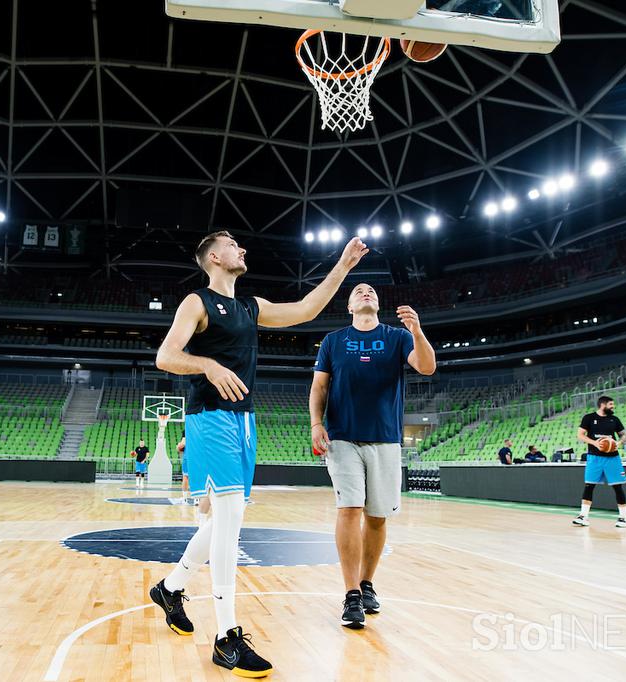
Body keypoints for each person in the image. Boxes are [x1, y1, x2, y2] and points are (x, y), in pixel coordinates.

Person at [148, 230, 369, 678]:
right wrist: (208, 364)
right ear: (213, 256)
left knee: (224, 520)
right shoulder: (197, 302)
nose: (242, 250)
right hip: (210, 418)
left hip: (245, 420)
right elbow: (166, 356)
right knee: (229, 521)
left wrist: (343, 267)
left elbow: (306, 309)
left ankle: (171, 589)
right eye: (233, 246)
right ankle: (226, 636)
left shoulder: (251, 306)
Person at [310, 283, 436, 630]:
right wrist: (316, 423)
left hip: (385, 438)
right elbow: (319, 386)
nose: (366, 292)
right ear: (349, 306)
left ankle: (367, 583)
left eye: (371, 290)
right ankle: (351, 594)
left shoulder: (398, 336)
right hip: (343, 437)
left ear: (377, 303)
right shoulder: (334, 340)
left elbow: (426, 367)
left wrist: (418, 332)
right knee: (349, 508)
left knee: (377, 516)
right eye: (358, 291)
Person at [573, 396, 626, 528]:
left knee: (617, 487)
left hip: (612, 458)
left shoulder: (614, 419)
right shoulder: (589, 418)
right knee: (589, 486)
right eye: (611, 404)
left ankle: (623, 518)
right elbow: (580, 435)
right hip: (594, 457)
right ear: (602, 404)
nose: (613, 407)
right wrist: (595, 443)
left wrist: (619, 443)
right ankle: (583, 516)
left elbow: (623, 434)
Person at [177, 432, 191, 504]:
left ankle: (185, 498)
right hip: (199, 457)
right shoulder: (200, 427)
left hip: (188, 457)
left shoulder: (186, 431)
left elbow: (181, 446)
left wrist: (178, 445)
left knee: (185, 477)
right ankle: (197, 499)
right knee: (197, 478)